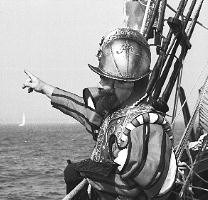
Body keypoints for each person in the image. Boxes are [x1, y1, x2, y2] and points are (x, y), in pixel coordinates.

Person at [22, 28, 177, 200]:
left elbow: (138, 187)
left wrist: (89, 172)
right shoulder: (116, 114)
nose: (100, 83)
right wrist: (44, 87)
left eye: (105, 79)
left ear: (125, 84)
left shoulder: (145, 125)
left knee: (73, 173)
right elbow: (80, 108)